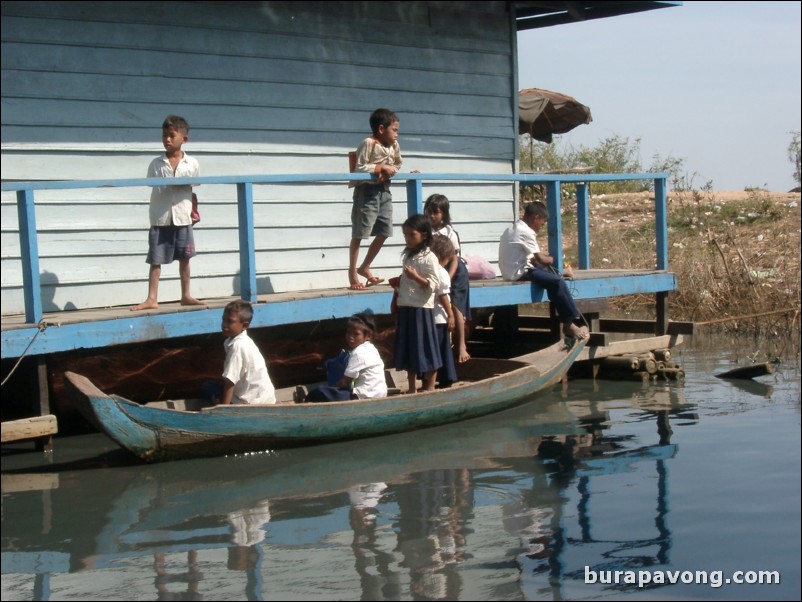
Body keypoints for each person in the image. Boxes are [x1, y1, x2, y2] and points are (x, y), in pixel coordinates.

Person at [132, 114, 204, 311]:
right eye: (164, 136)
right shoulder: (156, 164)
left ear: (184, 139)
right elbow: (151, 184)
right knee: (156, 259)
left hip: (182, 216)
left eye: (172, 135)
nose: (167, 140)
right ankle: (151, 298)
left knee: (185, 257)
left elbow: (193, 186)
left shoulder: (192, 163)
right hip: (161, 216)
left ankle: (186, 295)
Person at [498, 201, 588, 340]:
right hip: (518, 273)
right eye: (542, 222)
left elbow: (531, 258)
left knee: (544, 271)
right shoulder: (526, 232)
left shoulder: (512, 228)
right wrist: (556, 259)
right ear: (536, 217)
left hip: (510, 271)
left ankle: (563, 273)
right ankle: (568, 322)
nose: (542, 226)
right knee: (557, 282)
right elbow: (541, 258)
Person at [348, 108, 403, 290]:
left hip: (384, 191)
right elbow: (359, 168)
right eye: (394, 130)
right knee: (360, 233)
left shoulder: (394, 146)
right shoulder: (368, 143)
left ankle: (365, 266)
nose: (396, 134)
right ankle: (353, 273)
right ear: (381, 129)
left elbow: (397, 163)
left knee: (385, 231)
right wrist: (381, 168)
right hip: (367, 192)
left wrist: (391, 168)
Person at [393, 214, 442, 393]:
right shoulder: (409, 256)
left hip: (421, 308)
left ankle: (429, 387)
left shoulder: (430, 258)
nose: (408, 239)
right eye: (405, 235)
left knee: (426, 348)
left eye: (411, 235)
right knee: (409, 348)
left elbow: (434, 284)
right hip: (406, 305)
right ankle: (412, 388)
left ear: (424, 235)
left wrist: (416, 277)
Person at [424, 194, 471, 363]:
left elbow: (455, 259)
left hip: (454, 270)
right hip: (434, 269)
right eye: (429, 212)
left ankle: (461, 345)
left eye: (436, 212)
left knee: (457, 305)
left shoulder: (450, 232)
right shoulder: (425, 231)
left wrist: (448, 279)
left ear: (444, 213)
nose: (432, 216)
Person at [304, 312, 388, 402]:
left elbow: (345, 382)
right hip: (381, 394)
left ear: (368, 336)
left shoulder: (358, 353)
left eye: (356, 334)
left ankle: (306, 404)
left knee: (320, 391)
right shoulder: (371, 348)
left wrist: (332, 388)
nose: (350, 337)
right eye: (348, 333)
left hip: (363, 396)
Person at [205, 300, 276, 405]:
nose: (224, 325)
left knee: (207, 387)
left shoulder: (238, 346)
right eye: (223, 320)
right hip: (266, 399)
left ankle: (223, 404)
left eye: (230, 321)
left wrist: (224, 409)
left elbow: (230, 381)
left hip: (249, 403)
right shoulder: (243, 341)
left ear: (245, 325)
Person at [428, 235, 458, 388]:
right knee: (443, 349)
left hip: (427, 317)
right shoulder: (441, 272)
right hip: (439, 318)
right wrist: (451, 315)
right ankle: (446, 378)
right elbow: (443, 296)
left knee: (430, 349)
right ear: (446, 257)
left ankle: (428, 379)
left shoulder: (426, 269)